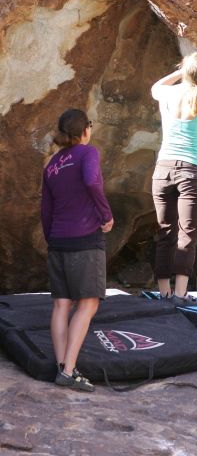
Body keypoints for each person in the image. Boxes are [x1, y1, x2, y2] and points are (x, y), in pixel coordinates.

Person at [41, 109, 114, 392]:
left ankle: (62, 367)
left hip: (58, 240)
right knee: (88, 303)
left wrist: (52, 239)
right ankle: (70, 370)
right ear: (85, 130)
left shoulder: (52, 165)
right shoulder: (87, 153)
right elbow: (91, 181)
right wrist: (105, 214)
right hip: (85, 239)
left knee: (61, 303)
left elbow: (45, 209)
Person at [151, 52, 197, 307]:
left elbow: (156, 86)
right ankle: (180, 294)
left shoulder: (167, 94)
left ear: (184, 70)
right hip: (192, 171)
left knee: (165, 231)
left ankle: (164, 293)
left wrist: (182, 73)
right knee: (187, 233)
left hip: (163, 170)